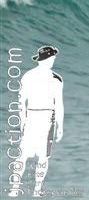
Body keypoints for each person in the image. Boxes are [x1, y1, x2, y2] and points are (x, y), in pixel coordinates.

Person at [9, 46, 64, 198]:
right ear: (47, 59)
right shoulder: (56, 79)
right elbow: (58, 104)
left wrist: (22, 121)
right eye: (52, 58)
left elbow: (21, 102)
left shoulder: (27, 76)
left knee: (24, 155)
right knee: (41, 157)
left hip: (33, 117)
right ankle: (37, 190)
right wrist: (60, 126)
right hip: (46, 118)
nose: (53, 60)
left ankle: (16, 188)